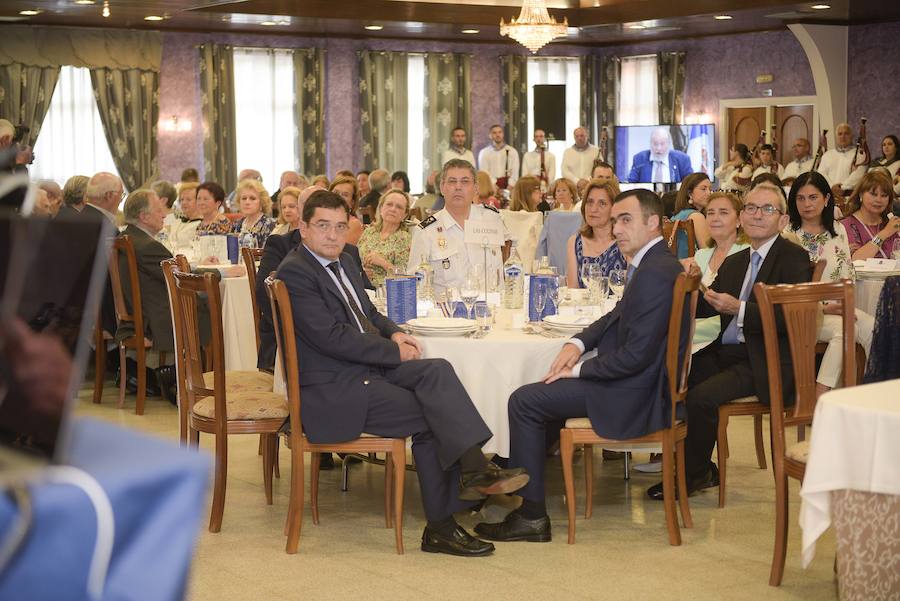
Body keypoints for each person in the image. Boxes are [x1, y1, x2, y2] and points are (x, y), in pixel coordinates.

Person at [276, 190, 529, 556]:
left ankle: (474, 469)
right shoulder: (297, 272)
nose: (332, 235)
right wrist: (392, 351)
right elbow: (332, 338)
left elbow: (367, 312)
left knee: (436, 371)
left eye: (340, 227)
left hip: (361, 369)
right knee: (429, 417)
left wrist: (394, 331)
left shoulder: (345, 259)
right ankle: (442, 525)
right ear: (303, 227)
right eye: (322, 227)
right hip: (334, 389)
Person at [475, 189, 684, 542]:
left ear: (653, 223)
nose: (617, 229)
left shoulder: (655, 272)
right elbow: (617, 315)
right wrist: (578, 343)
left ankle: (531, 515)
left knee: (525, 400)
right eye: (616, 220)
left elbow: (636, 357)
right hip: (640, 382)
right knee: (546, 392)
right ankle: (513, 481)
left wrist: (577, 370)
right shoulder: (656, 261)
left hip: (637, 393)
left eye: (626, 219)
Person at [647, 183, 812, 501]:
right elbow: (710, 305)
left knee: (701, 398)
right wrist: (687, 286)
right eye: (750, 208)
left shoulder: (793, 258)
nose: (757, 215)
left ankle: (690, 477)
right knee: (669, 376)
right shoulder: (736, 263)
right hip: (728, 352)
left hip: (766, 358)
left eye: (767, 209)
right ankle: (698, 466)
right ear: (743, 217)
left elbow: (791, 320)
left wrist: (741, 309)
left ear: (782, 220)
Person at [255, 185, 371, 372]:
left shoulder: (348, 252)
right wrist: (296, 329)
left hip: (352, 339)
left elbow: (366, 292)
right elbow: (263, 293)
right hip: (292, 341)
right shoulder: (280, 244)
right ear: (301, 213)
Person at [783, 171, 875, 397]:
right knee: (844, 330)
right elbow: (788, 288)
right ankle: (820, 396)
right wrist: (824, 306)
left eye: (813, 197)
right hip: (805, 313)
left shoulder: (838, 230)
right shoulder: (788, 235)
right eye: (800, 198)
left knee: (875, 328)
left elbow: (848, 273)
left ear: (826, 199)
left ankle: (870, 393)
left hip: (839, 306)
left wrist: (844, 303)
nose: (807, 204)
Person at [117, 189, 184, 404]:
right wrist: (220, 273)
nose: (164, 214)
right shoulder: (148, 246)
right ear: (144, 217)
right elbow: (181, 277)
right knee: (208, 304)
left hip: (134, 312)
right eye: (159, 210)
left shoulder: (126, 237)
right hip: (151, 317)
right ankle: (181, 376)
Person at [407, 159, 511, 296]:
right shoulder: (426, 231)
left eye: (465, 181)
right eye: (452, 181)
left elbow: (513, 261)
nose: (458, 187)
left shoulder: (492, 219)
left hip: (492, 309)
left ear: (476, 188)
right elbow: (415, 284)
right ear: (442, 188)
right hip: (448, 313)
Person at [681, 192, 749, 348]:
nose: (715, 218)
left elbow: (730, 311)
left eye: (723, 212)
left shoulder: (747, 254)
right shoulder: (700, 255)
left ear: (739, 220)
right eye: (710, 213)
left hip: (728, 332)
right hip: (695, 328)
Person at [565, 179, 626, 289]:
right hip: (582, 306)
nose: (593, 209)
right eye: (590, 202)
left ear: (614, 208)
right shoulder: (574, 242)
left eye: (602, 203)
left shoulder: (625, 242)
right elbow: (573, 290)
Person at [357, 189, 413, 287]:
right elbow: (354, 261)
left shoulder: (404, 238)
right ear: (381, 208)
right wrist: (361, 273)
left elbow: (405, 277)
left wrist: (383, 263)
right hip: (361, 287)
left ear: (405, 214)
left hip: (386, 292)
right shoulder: (369, 231)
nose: (393, 209)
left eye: (399, 207)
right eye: (389, 204)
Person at [840, 170, 900, 260]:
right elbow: (856, 259)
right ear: (861, 194)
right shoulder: (845, 226)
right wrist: (885, 233)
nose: (878, 200)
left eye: (884, 195)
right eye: (873, 194)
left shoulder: (892, 223)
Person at [627, 127, 693, 183]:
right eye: (655, 144)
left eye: (662, 144)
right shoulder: (639, 159)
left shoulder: (683, 159)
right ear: (650, 143)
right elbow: (632, 183)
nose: (659, 148)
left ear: (669, 144)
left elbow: (689, 185)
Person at [818, 122, 867, 198]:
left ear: (852, 136)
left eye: (846, 134)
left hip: (850, 196)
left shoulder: (860, 154)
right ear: (836, 137)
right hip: (829, 195)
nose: (843, 137)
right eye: (840, 134)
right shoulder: (827, 155)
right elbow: (821, 174)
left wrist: (842, 187)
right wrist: (831, 187)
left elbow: (859, 174)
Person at [670, 172, 713, 257]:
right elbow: (707, 253)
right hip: (690, 267)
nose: (709, 193)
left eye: (710, 189)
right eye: (703, 189)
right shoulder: (696, 216)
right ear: (690, 193)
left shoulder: (679, 214)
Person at [231, 179, 276, 247]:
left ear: (262, 202)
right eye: (244, 198)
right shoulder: (237, 225)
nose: (247, 202)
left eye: (252, 198)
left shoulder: (269, 225)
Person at [478, 124, 519, 190]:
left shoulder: (513, 151)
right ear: (490, 135)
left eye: (500, 132)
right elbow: (484, 172)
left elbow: (515, 171)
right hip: (491, 187)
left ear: (503, 134)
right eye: (494, 133)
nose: (497, 135)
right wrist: (493, 185)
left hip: (509, 187)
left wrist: (510, 185)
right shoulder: (484, 152)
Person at [329, 175, 365, 244]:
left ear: (352, 202)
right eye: (335, 193)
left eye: (345, 195)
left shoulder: (353, 224)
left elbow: (339, 250)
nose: (338, 197)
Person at [166, 182, 201, 250]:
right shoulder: (177, 222)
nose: (184, 203)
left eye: (188, 199)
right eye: (182, 199)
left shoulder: (202, 225)